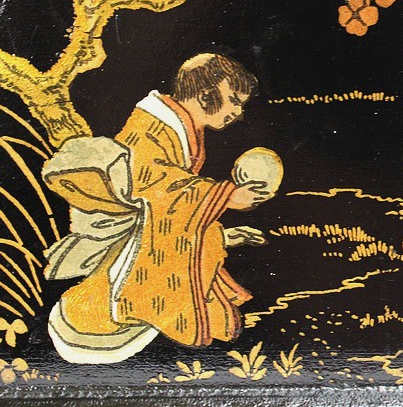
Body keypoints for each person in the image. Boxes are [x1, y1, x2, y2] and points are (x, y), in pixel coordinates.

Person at [44, 53, 272, 364]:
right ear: (205, 94)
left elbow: (175, 196)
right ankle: (103, 323)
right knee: (111, 300)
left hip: (150, 229)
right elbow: (157, 188)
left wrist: (222, 232)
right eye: (233, 100)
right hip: (136, 233)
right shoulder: (150, 127)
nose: (237, 112)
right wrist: (226, 196)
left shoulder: (178, 126)